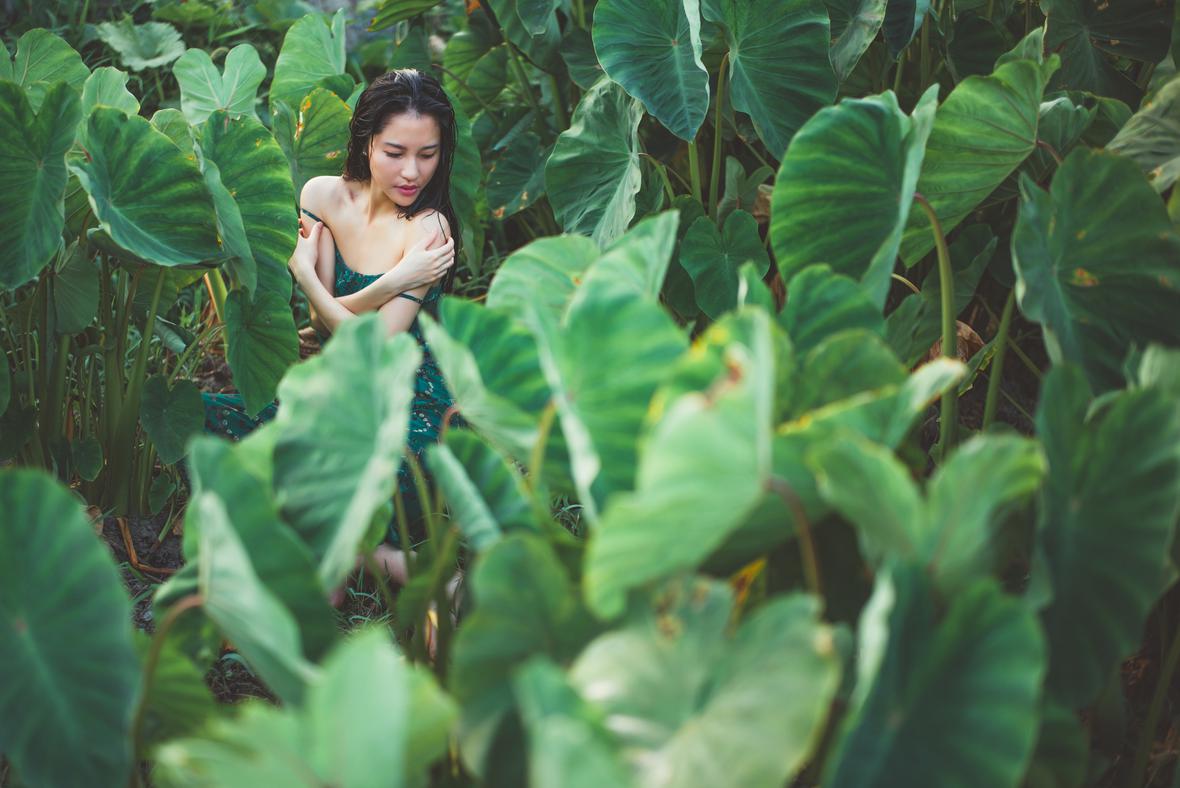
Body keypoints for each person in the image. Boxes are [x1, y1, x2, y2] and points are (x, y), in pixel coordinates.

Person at [205, 68, 462, 585]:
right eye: (395, 153)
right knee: (206, 420)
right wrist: (392, 282)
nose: (412, 172)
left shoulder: (428, 228)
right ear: (366, 142)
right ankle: (347, 557)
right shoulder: (322, 197)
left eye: (428, 154)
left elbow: (372, 348)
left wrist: (306, 277)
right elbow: (324, 329)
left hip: (409, 406)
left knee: (340, 481)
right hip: (336, 396)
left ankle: (416, 573)